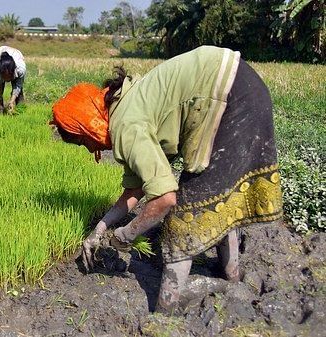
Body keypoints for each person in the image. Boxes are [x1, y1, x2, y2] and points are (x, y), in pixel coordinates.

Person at [51, 46, 283, 313]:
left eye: (82, 141)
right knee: (217, 197)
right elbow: (135, 190)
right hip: (242, 86)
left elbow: (165, 198)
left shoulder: (126, 126)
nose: (91, 149)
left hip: (230, 99)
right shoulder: (126, 103)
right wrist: (99, 230)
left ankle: (164, 313)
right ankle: (232, 278)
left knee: (187, 213)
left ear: (87, 125)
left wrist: (127, 234)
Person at [0, 46, 26, 114]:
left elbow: (18, 86)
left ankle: (21, 110)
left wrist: (12, 100)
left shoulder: (21, 69)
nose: (7, 80)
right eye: (4, 77)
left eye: (9, 77)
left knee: (19, 92)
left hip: (17, 54)